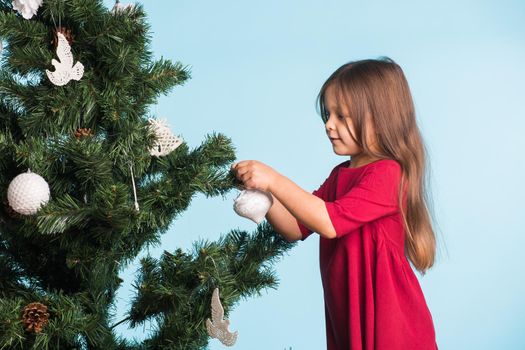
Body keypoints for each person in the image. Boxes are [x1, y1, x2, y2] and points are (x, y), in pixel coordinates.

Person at [230, 57, 438, 350]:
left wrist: (273, 179)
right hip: (348, 321)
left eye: (342, 116)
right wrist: (265, 195)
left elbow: (329, 223)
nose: (329, 125)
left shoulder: (388, 173)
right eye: (328, 115)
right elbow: (295, 227)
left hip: (393, 328)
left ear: (380, 119)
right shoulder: (341, 175)